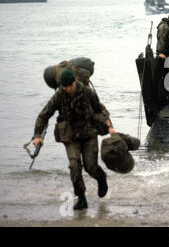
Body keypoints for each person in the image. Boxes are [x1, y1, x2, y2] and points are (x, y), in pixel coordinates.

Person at [32, 69, 116, 210]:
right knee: (74, 165)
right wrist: (38, 135)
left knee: (91, 167)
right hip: (70, 136)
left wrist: (110, 126)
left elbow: (100, 109)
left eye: (70, 86)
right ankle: (81, 198)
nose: (68, 89)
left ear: (74, 82)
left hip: (89, 133)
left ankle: (101, 178)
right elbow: (44, 115)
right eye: (64, 87)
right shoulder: (59, 95)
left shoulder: (87, 92)